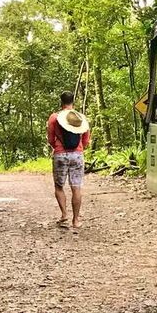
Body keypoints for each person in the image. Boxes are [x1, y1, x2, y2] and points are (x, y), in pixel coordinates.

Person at [47, 91, 91, 231]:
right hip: (77, 155)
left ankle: (64, 215)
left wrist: (58, 147)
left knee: (59, 186)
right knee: (76, 187)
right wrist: (78, 148)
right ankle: (76, 220)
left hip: (60, 154)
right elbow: (86, 140)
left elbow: (50, 138)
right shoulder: (81, 118)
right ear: (74, 101)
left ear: (61, 102)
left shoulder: (54, 117)